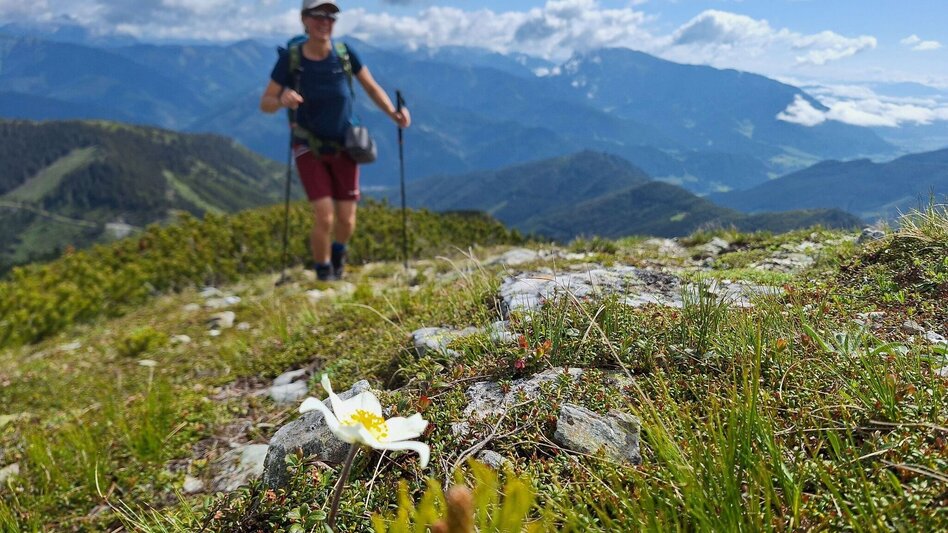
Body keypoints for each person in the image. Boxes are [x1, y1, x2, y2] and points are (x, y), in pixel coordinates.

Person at [260, 0, 411, 280]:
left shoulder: (344, 54)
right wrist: (282, 99)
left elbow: (371, 87)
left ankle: (338, 255)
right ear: (304, 19)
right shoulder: (291, 59)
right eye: (317, 15)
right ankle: (323, 273)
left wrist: (394, 113)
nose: (325, 21)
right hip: (308, 145)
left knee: (346, 219)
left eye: (330, 16)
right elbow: (265, 102)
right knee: (325, 215)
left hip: (345, 144)